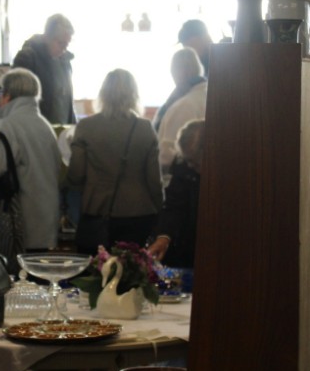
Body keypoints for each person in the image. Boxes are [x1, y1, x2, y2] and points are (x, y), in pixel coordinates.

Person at [67, 69, 163, 253]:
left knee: (94, 275)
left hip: (97, 211)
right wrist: (160, 212)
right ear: (134, 95)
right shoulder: (144, 128)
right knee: (133, 273)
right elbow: (154, 180)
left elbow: (76, 174)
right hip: (139, 213)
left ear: (103, 94)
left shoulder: (86, 127)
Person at [0, 68, 62, 264]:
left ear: (7, 95)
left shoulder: (10, 125)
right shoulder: (44, 124)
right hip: (46, 218)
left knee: (22, 281)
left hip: (21, 219)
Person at [148, 119, 205, 283]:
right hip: (185, 246)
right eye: (187, 161)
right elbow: (174, 205)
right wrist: (163, 237)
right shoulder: (182, 164)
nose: (190, 166)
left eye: (195, 162)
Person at [12, 13, 76, 124]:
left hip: (61, 132)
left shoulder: (65, 62)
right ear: (47, 37)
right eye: (60, 43)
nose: (64, 49)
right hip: (35, 131)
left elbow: (67, 102)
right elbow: (18, 101)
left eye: (67, 44)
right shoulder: (27, 59)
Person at [155, 49, 207, 175]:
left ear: (180, 73)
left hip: (186, 179)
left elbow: (166, 156)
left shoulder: (182, 106)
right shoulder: (211, 95)